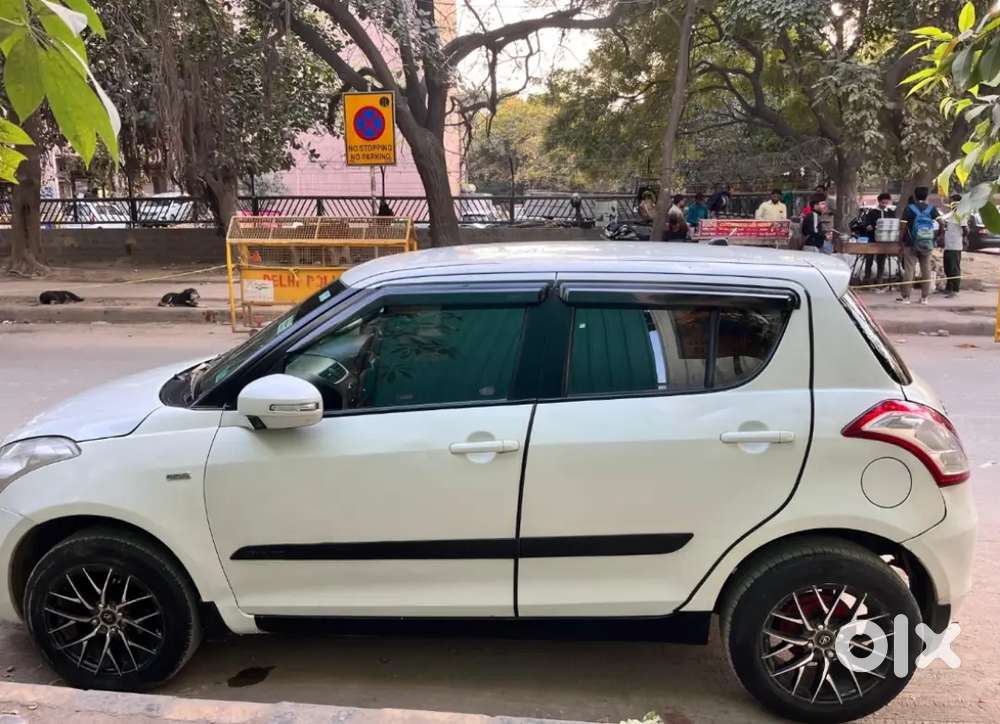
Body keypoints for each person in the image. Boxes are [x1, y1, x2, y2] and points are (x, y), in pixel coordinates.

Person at [898, 186, 941, 305]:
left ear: (915, 196)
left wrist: (900, 242)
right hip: (927, 243)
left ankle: (906, 298)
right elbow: (942, 223)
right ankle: (924, 298)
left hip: (910, 243)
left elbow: (902, 227)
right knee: (926, 269)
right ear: (926, 196)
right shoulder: (931, 209)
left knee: (909, 269)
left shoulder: (909, 209)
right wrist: (937, 236)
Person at [862, 192, 894, 287]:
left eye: (886, 203)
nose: (884, 205)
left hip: (885, 240)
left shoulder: (890, 213)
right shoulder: (872, 212)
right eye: (883, 203)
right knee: (869, 258)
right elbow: (866, 225)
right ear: (879, 201)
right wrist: (869, 226)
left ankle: (879, 279)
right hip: (872, 238)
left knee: (882, 259)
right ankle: (867, 278)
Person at [941, 193, 967, 297]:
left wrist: (963, 238)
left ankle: (955, 290)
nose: (950, 203)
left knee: (954, 268)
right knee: (947, 268)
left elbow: (965, 229)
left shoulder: (961, 214)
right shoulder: (951, 214)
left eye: (952, 201)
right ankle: (948, 287)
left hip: (955, 246)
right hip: (948, 245)